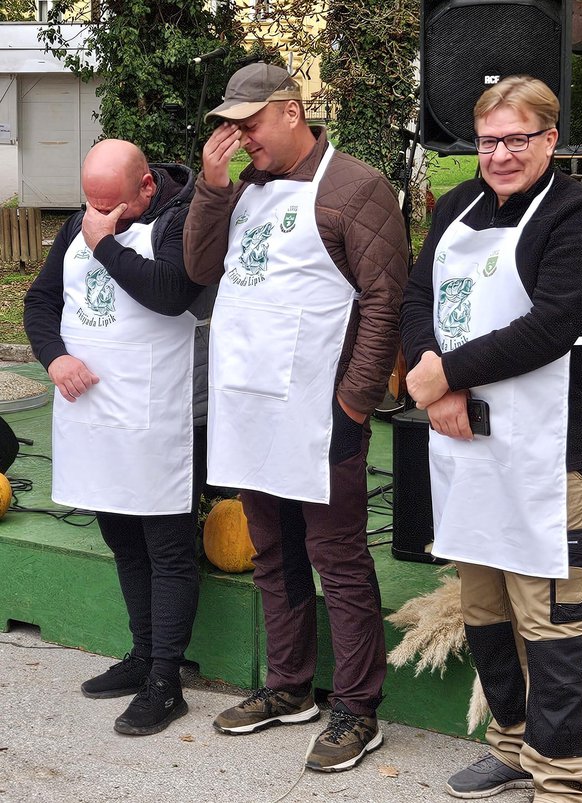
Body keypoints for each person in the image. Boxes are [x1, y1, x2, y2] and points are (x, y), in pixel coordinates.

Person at [400, 77, 582, 801]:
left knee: (552, 615)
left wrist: (443, 375)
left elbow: (552, 324)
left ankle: (562, 775)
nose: (498, 155)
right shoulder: (458, 206)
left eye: (516, 139)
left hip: (545, 447)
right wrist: (437, 377)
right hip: (463, 440)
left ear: (550, 139)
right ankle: (511, 741)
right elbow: (419, 295)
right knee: (485, 608)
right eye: (488, 140)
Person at [183, 62, 408, 771]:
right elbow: (199, 268)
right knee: (272, 550)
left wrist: (353, 401)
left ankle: (357, 706)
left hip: (319, 409)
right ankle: (289, 686)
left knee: (336, 557)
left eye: (249, 124)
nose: (240, 138)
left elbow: (383, 302)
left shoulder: (356, 186)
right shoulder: (241, 186)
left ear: (292, 110)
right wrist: (211, 192)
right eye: (231, 127)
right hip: (249, 403)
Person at [24, 139, 215, 736]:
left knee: (167, 546)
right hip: (95, 417)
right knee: (122, 538)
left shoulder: (179, 219)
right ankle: (140, 654)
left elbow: (170, 294)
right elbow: (40, 302)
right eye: (90, 205)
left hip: (162, 417)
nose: (96, 216)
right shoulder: (82, 225)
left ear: (147, 189)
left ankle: (167, 679)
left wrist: (104, 243)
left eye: (111, 205)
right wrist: (54, 358)